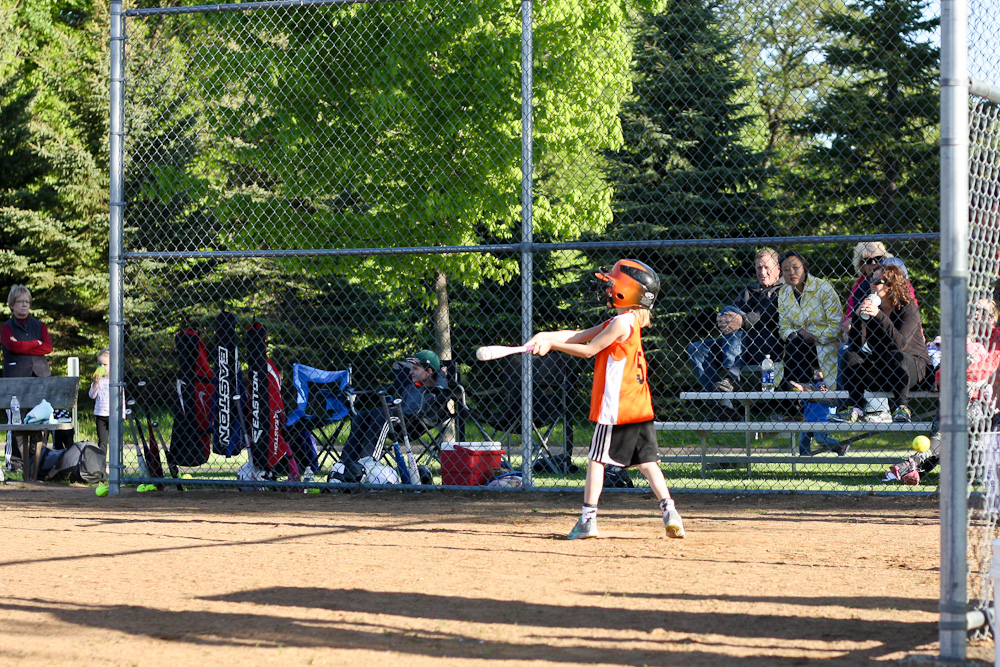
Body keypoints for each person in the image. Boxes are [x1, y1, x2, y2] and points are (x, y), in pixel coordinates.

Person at [524, 259, 684, 540]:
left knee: (596, 460)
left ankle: (588, 520)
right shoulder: (626, 320)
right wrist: (545, 336)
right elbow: (579, 335)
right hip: (638, 406)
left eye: (612, 284)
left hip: (617, 408)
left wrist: (552, 346)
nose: (608, 288)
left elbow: (589, 350)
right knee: (647, 463)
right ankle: (671, 512)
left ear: (626, 291)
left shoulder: (621, 322)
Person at [687, 248, 783, 417]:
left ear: (778, 269)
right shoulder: (749, 291)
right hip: (739, 347)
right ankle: (725, 405)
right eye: (759, 268)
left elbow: (766, 315)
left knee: (731, 313)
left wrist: (742, 320)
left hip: (767, 347)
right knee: (697, 348)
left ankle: (733, 375)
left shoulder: (784, 291)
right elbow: (732, 317)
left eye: (767, 267)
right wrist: (722, 319)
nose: (762, 272)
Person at [832, 264, 933, 424]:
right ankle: (855, 409)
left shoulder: (908, 309)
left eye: (877, 281)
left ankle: (901, 408)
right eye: (871, 280)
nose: (872, 284)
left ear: (891, 285)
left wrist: (879, 316)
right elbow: (856, 346)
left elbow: (900, 345)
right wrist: (858, 317)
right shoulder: (873, 309)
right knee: (849, 355)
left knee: (895, 356)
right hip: (883, 369)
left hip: (913, 369)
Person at [331, 349, 449, 484]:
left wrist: (441, 376)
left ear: (429, 371)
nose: (410, 372)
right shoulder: (413, 387)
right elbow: (404, 405)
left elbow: (440, 395)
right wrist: (394, 406)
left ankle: (369, 461)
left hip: (413, 425)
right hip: (400, 419)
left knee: (383, 415)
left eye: (415, 369)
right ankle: (345, 463)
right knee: (363, 416)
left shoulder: (437, 391)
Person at [2, 285, 54, 472]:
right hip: (15, 380)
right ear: (12, 305)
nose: (24, 305)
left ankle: (37, 461)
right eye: (20, 301)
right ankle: (16, 463)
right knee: (17, 421)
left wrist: (23, 345)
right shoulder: (6, 328)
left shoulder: (40, 326)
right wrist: (34, 343)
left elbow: (47, 347)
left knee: (40, 420)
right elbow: (12, 347)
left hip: (40, 378)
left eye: (27, 302)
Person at [88, 349, 110, 454]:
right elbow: (92, 395)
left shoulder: (115, 381)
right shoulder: (98, 380)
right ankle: (102, 461)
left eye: (105, 364)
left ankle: (115, 461)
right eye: (100, 364)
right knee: (102, 442)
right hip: (100, 414)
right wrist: (95, 383)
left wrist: (122, 414)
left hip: (112, 415)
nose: (102, 367)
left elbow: (121, 397)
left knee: (115, 441)